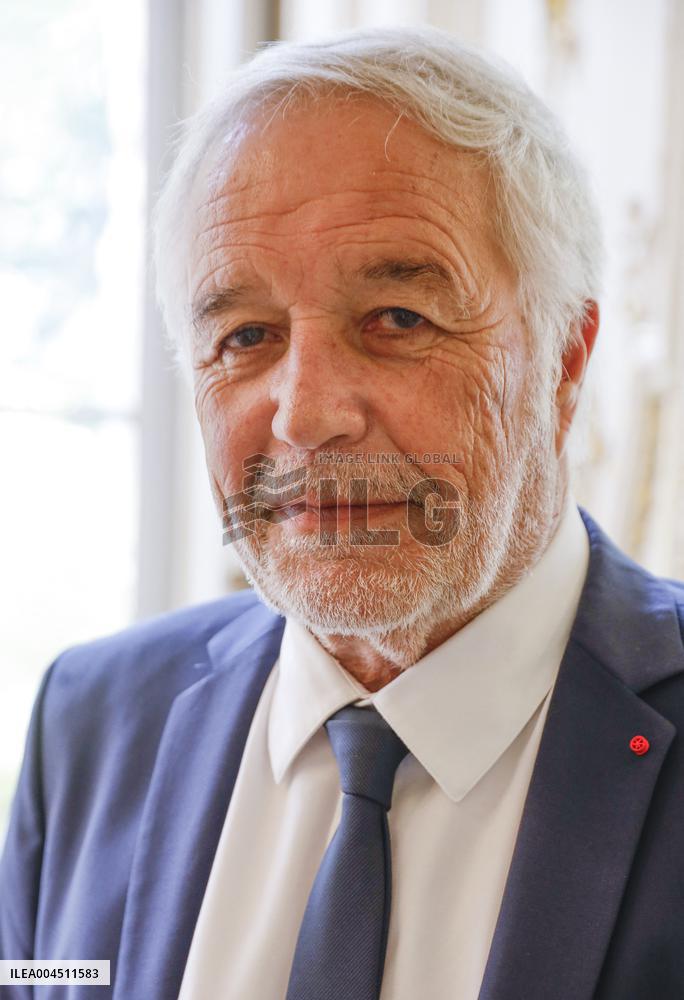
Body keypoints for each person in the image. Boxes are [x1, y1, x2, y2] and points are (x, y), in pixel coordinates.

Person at [1, 25, 683, 1000]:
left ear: (566, 357)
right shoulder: (94, 720)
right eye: (245, 335)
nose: (306, 412)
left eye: (398, 319)